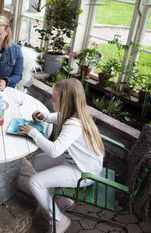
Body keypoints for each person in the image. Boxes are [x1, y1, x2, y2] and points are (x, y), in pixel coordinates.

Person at [18, 78, 105, 233]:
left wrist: (33, 133)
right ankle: (62, 199)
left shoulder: (73, 125)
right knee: (37, 161)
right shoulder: (76, 113)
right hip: (80, 162)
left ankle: (58, 218)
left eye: (54, 98)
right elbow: (59, 117)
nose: (51, 99)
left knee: (35, 182)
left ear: (66, 103)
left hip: (84, 172)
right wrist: (44, 116)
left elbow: (53, 151)